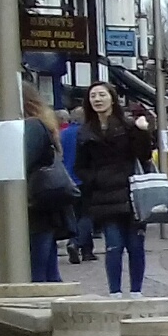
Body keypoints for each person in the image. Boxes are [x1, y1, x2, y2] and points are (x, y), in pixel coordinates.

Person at [72, 81, 155, 294]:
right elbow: (80, 166)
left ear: (112, 98)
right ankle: (115, 292)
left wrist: (143, 132)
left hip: (132, 195)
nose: (97, 100)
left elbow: (143, 155)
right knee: (113, 247)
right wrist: (95, 178)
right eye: (93, 96)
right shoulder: (85, 132)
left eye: (102, 95)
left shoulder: (128, 126)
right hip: (104, 198)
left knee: (135, 247)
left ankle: (136, 292)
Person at [21, 90, 72, 283]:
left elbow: (22, 163)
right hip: (42, 203)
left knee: (38, 270)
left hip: (36, 204)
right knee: (47, 268)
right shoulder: (39, 123)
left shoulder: (32, 126)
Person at [58, 100, 95, 265]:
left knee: (74, 216)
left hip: (67, 180)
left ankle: (87, 251)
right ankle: (77, 243)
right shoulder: (87, 132)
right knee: (87, 215)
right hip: (85, 179)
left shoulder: (63, 134)